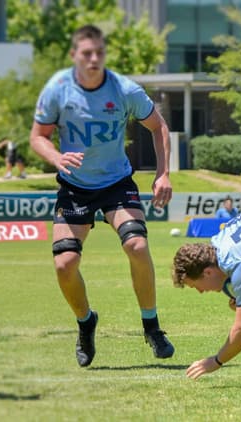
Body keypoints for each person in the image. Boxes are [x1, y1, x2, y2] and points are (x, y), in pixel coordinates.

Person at [30, 24, 174, 367]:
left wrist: (163, 172)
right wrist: (56, 157)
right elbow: (38, 137)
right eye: (86, 53)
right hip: (74, 186)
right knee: (65, 264)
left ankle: (151, 327)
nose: (94, 59)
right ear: (74, 56)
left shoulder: (125, 89)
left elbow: (159, 127)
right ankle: (85, 323)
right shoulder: (57, 89)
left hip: (116, 183)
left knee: (136, 245)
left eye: (99, 53)